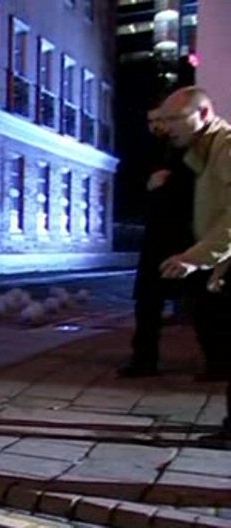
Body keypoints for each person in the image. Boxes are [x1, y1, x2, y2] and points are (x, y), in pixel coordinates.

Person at [157, 86, 231, 441]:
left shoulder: (226, 148)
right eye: (164, 119)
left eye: (175, 118)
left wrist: (195, 258)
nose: (167, 127)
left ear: (202, 114)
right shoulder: (204, 152)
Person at [117, 107, 195, 378]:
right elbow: (131, 192)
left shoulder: (186, 149)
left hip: (186, 235)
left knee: (201, 300)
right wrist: (148, 186)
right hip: (156, 238)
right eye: (151, 121)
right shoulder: (148, 153)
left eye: (160, 120)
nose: (155, 126)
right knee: (148, 302)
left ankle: (216, 361)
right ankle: (144, 360)